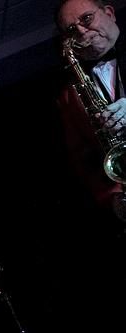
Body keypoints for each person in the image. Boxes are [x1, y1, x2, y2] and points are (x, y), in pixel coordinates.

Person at [55, 0, 126, 219]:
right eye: (71, 30)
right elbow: (83, 159)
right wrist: (113, 198)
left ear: (109, 13)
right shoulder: (68, 96)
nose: (82, 32)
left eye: (86, 18)